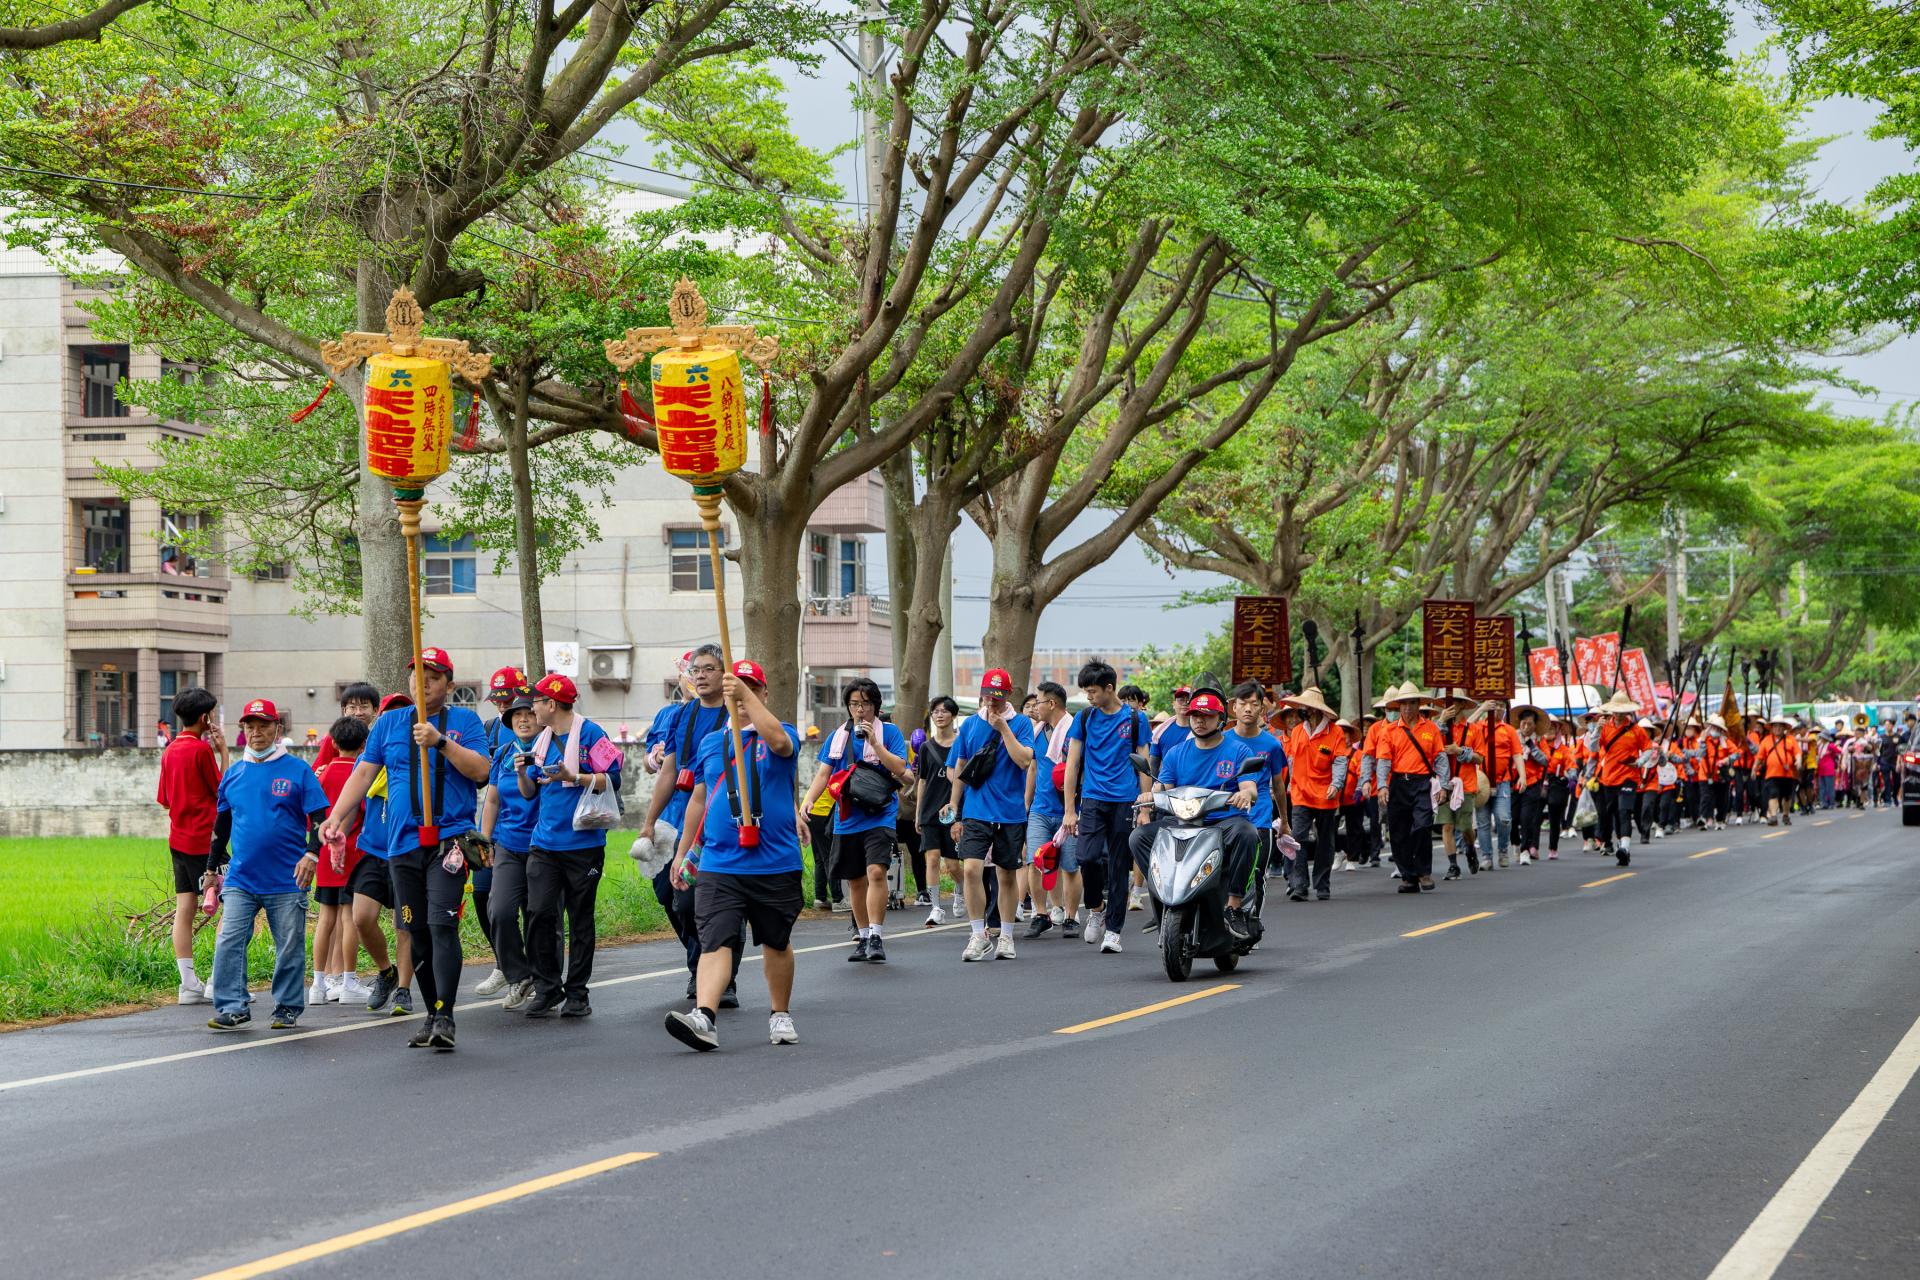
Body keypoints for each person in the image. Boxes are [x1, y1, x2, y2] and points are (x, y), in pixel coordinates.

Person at [320, 649, 489, 1051]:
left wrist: (441, 742)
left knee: (441, 925)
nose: (423, 683)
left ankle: (446, 1015)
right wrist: (336, 818)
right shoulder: (389, 724)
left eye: (432, 677)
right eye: (417, 675)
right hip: (401, 846)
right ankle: (431, 1013)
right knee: (414, 930)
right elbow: (363, 773)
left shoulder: (464, 722)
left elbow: (481, 771)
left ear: (448, 684)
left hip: (448, 842)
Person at [664, 661, 803, 1051]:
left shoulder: (781, 734)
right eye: (736, 691)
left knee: (776, 941)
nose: (742, 698)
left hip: (775, 862)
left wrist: (741, 693)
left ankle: (780, 1013)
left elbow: (779, 742)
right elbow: (699, 798)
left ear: (763, 694)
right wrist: (681, 851)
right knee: (715, 940)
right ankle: (705, 1017)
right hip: (720, 863)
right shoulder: (711, 743)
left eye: (751, 688)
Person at [205, 699, 330, 1031]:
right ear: (243, 730)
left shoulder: (297, 770)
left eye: (263, 725)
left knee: (288, 944)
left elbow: (319, 816)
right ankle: (233, 1006)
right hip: (241, 878)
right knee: (229, 940)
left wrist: (312, 854)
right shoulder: (233, 775)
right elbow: (221, 826)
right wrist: (210, 869)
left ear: (278, 728)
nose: (256, 732)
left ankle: (287, 1006)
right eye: (250, 726)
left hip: (287, 878)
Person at [520, 673, 623, 1018]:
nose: (530, 708)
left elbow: (615, 778)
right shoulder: (541, 740)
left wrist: (574, 777)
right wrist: (523, 772)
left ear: (550, 704)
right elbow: (531, 789)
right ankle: (547, 987)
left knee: (580, 919)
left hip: (584, 845)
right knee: (538, 914)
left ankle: (578, 993)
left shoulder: (591, 733)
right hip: (545, 844)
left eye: (535, 701)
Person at [638, 644, 732, 999]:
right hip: (679, 821)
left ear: (725, 674)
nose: (701, 675)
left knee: (711, 902)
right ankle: (701, 963)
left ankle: (719, 978)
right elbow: (668, 770)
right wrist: (649, 821)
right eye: (697, 670)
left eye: (709, 669)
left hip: (722, 824)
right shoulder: (682, 716)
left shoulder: (735, 715)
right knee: (669, 894)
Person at [1128, 688, 1260, 935]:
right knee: (1139, 837)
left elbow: (1250, 787)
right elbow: (1162, 787)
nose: (1200, 720)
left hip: (1222, 821)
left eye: (1207, 715)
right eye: (1195, 715)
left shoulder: (1238, 751)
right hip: (1183, 821)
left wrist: (1245, 794)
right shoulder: (1176, 753)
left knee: (1248, 833)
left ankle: (1233, 907)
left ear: (1220, 719)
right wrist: (1149, 796)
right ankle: (1162, 900)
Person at [802, 679, 911, 963]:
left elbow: (901, 769)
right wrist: (808, 800)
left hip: (880, 812)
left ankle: (876, 935)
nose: (859, 710)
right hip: (847, 815)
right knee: (855, 879)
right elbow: (824, 773)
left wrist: (874, 743)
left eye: (864, 704)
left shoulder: (889, 732)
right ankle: (862, 937)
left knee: (876, 871)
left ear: (875, 706)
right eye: (853, 704)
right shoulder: (837, 736)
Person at [1062, 661, 1153, 951]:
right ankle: (1096, 908)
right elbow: (1072, 763)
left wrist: (1146, 807)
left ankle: (1114, 930)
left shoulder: (1136, 720)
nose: (1088, 697)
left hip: (1125, 801)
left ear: (1109, 688)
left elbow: (1144, 765)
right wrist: (1069, 809)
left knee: (1117, 868)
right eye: (1086, 692)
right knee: (1086, 857)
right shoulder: (1086, 717)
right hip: (1092, 798)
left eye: (1092, 691)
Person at [947, 668, 1038, 961]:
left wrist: (1003, 728)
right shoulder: (970, 725)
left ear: (1008, 695)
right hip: (976, 810)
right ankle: (978, 934)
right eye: (987, 696)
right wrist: (954, 806)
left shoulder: (1022, 724)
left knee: (1007, 874)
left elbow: (1024, 760)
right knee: (972, 869)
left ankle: (1007, 936)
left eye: (997, 697)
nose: (992, 702)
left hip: (1010, 812)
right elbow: (961, 769)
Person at [155, 686, 226, 1005]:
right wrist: (223, 751)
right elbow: (223, 790)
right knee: (239, 904)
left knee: (185, 908)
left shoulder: (169, 750)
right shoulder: (200, 751)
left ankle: (188, 985)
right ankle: (218, 981)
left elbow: (165, 801)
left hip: (179, 840)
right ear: (204, 717)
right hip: (207, 841)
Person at [347, 691, 412, 1016]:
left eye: (405, 712)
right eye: (391, 713)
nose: (398, 719)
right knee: (361, 917)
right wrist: (331, 836)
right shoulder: (369, 760)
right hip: (373, 850)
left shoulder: (420, 760)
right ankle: (386, 972)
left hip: (407, 851)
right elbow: (350, 807)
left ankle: (403, 989)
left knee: (405, 925)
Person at [479, 695, 544, 1011]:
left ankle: (545, 982)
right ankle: (518, 974)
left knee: (539, 915)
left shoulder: (550, 749)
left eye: (529, 713)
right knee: (499, 911)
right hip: (507, 844)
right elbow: (492, 801)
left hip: (544, 847)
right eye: (516, 715)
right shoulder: (504, 752)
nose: (522, 719)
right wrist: (484, 840)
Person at [309, 716, 373, 1007]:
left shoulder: (320, 775)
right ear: (364, 744)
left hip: (324, 854)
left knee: (325, 919)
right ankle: (348, 980)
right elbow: (362, 814)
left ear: (333, 743)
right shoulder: (363, 776)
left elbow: (311, 815)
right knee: (349, 918)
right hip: (353, 854)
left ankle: (317, 984)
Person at [1375, 684, 1450, 893]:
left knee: (1423, 826)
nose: (1408, 707)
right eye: (1404, 703)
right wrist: (1382, 786)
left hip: (1423, 783)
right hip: (1398, 783)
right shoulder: (1389, 731)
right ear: (1398, 706)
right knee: (1398, 832)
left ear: (1419, 705)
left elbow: (1441, 758)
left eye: (1412, 703)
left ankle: (1424, 872)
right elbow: (1383, 761)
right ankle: (1408, 876)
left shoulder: (1431, 729)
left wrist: (1444, 784)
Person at [1024, 681, 1081, 938]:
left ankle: (1070, 917)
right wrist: (1028, 802)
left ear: (1051, 703)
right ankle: (1040, 913)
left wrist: (1075, 808)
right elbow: (1033, 767)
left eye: (1038, 701)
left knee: (1070, 866)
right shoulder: (1036, 732)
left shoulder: (1075, 730)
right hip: (1039, 808)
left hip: (1068, 810)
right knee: (1035, 862)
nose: (1035, 707)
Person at [1280, 687, 1346, 902]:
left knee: (1325, 841)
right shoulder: (1298, 731)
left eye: (1306, 707)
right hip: (1301, 794)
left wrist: (1336, 784)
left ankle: (1322, 884)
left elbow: (1339, 761)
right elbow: (1290, 760)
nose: (1303, 710)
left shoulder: (1335, 733)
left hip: (1326, 795)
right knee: (1298, 838)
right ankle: (1299, 884)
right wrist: (1286, 784)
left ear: (1316, 710)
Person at [1227, 682, 1288, 912]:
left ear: (1262, 709)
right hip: (1227, 819)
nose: (1248, 709)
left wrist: (1284, 821)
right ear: (1234, 707)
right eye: (1243, 703)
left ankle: (1252, 925)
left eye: (1254, 704)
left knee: (1256, 873)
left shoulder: (1271, 744)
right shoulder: (1222, 740)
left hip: (1260, 819)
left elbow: (1279, 785)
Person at [1586, 693, 1653, 866]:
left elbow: (1648, 749)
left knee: (1624, 811)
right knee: (1613, 813)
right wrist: (1597, 730)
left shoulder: (1636, 730)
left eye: (1622, 711)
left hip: (1629, 777)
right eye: (1616, 711)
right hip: (1608, 779)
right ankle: (1618, 845)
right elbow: (1593, 748)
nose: (1619, 714)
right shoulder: (1605, 727)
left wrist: (1640, 762)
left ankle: (1624, 847)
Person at [917, 696, 963, 926]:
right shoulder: (926, 748)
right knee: (932, 859)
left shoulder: (962, 743)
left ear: (953, 715)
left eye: (945, 711)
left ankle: (961, 890)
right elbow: (922, 782)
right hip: (930, 813)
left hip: (955, 814)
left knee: (954, 865)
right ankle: (936, 907)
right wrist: (918, 814)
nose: (940, 714)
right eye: (935, 711)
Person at [1470, 701, 1524, 869]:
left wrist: (1522, 775)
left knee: (1504, 819)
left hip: (1503, 782)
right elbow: (1465, 728)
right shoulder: (1478, 727)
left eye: (1501, 705)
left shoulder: (1509, 730)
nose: (1498, 709)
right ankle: (1486, 857)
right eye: (1495, 705)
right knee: (1483, 821)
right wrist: (1482, 709)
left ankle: (1502, 850)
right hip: (1481, 783)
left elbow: (1517, 754)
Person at [1435, 695, 1482, 878]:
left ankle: (1470, 847)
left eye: (1455, 701)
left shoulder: (1473, 729)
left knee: (1464, 827)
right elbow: (1428, 746)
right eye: (1448, 702)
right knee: (1447, 825)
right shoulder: (1437, 727)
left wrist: (1460, 751)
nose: (1451, 706)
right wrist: (1441, 721)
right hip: (1444, 784)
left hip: (1467, 783)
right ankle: (1453, 865)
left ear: (1462, 704)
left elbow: (1481, 757)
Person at [312, 683, 380, 771]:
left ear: (375, 710)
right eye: (352, 707)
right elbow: (316, 770)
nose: (358, 713)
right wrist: (318, 773)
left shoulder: (378, 739)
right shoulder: (334, 737)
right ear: (344, 710)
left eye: (364, 707)